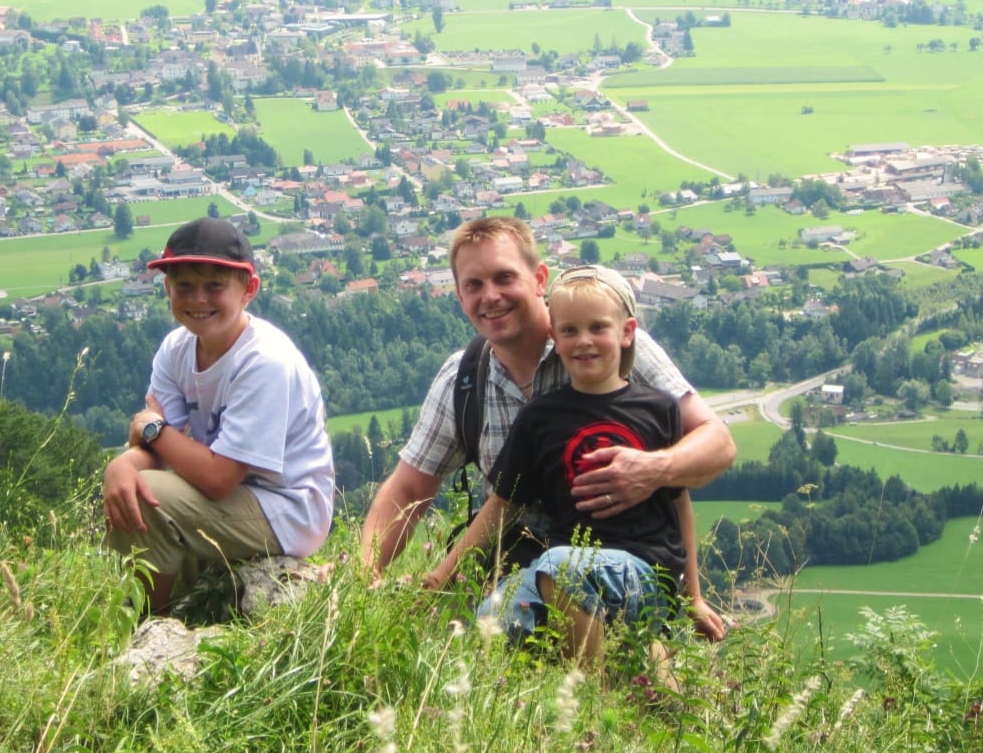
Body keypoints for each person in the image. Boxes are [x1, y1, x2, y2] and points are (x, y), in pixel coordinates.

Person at [359, 216, 734, 592]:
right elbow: (409, 490)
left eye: (504, 278)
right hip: (513, 578)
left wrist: (654, 469)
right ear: (460, 297)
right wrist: (363, 576)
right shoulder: (464, 379)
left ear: (539, 279)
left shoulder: (606, 347)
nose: (490, 296)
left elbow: (717, 442)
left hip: (622, 570)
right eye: (474, 285)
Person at [424, 265, 722, 662]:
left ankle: (592, 694)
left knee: (560, 568)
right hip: (566, 569)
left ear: (627, 332)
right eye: (570, 330)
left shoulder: (658, 409)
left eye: (598, 328)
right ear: (555, 338)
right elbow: (502, 505)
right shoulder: (539, 419)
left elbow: (678, 501)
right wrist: (440, 577)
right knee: (488, 623)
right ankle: (641, 663)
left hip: (646, 570)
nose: (584, 341)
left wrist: (694, 598)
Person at [103, 217, 334, 614]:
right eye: (184, 286)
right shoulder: (176, 349)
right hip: (236, 496)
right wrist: (122, 465)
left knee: (147, 495)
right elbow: (158, 447)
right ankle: (172, 605)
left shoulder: (264, 360)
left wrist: (152, 429)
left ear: (249, 290)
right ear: (167, 289)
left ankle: (149, 620)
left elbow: (217, 478)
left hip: (287, 508)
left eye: (215, 286)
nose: (198, 299)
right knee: (130, 485)